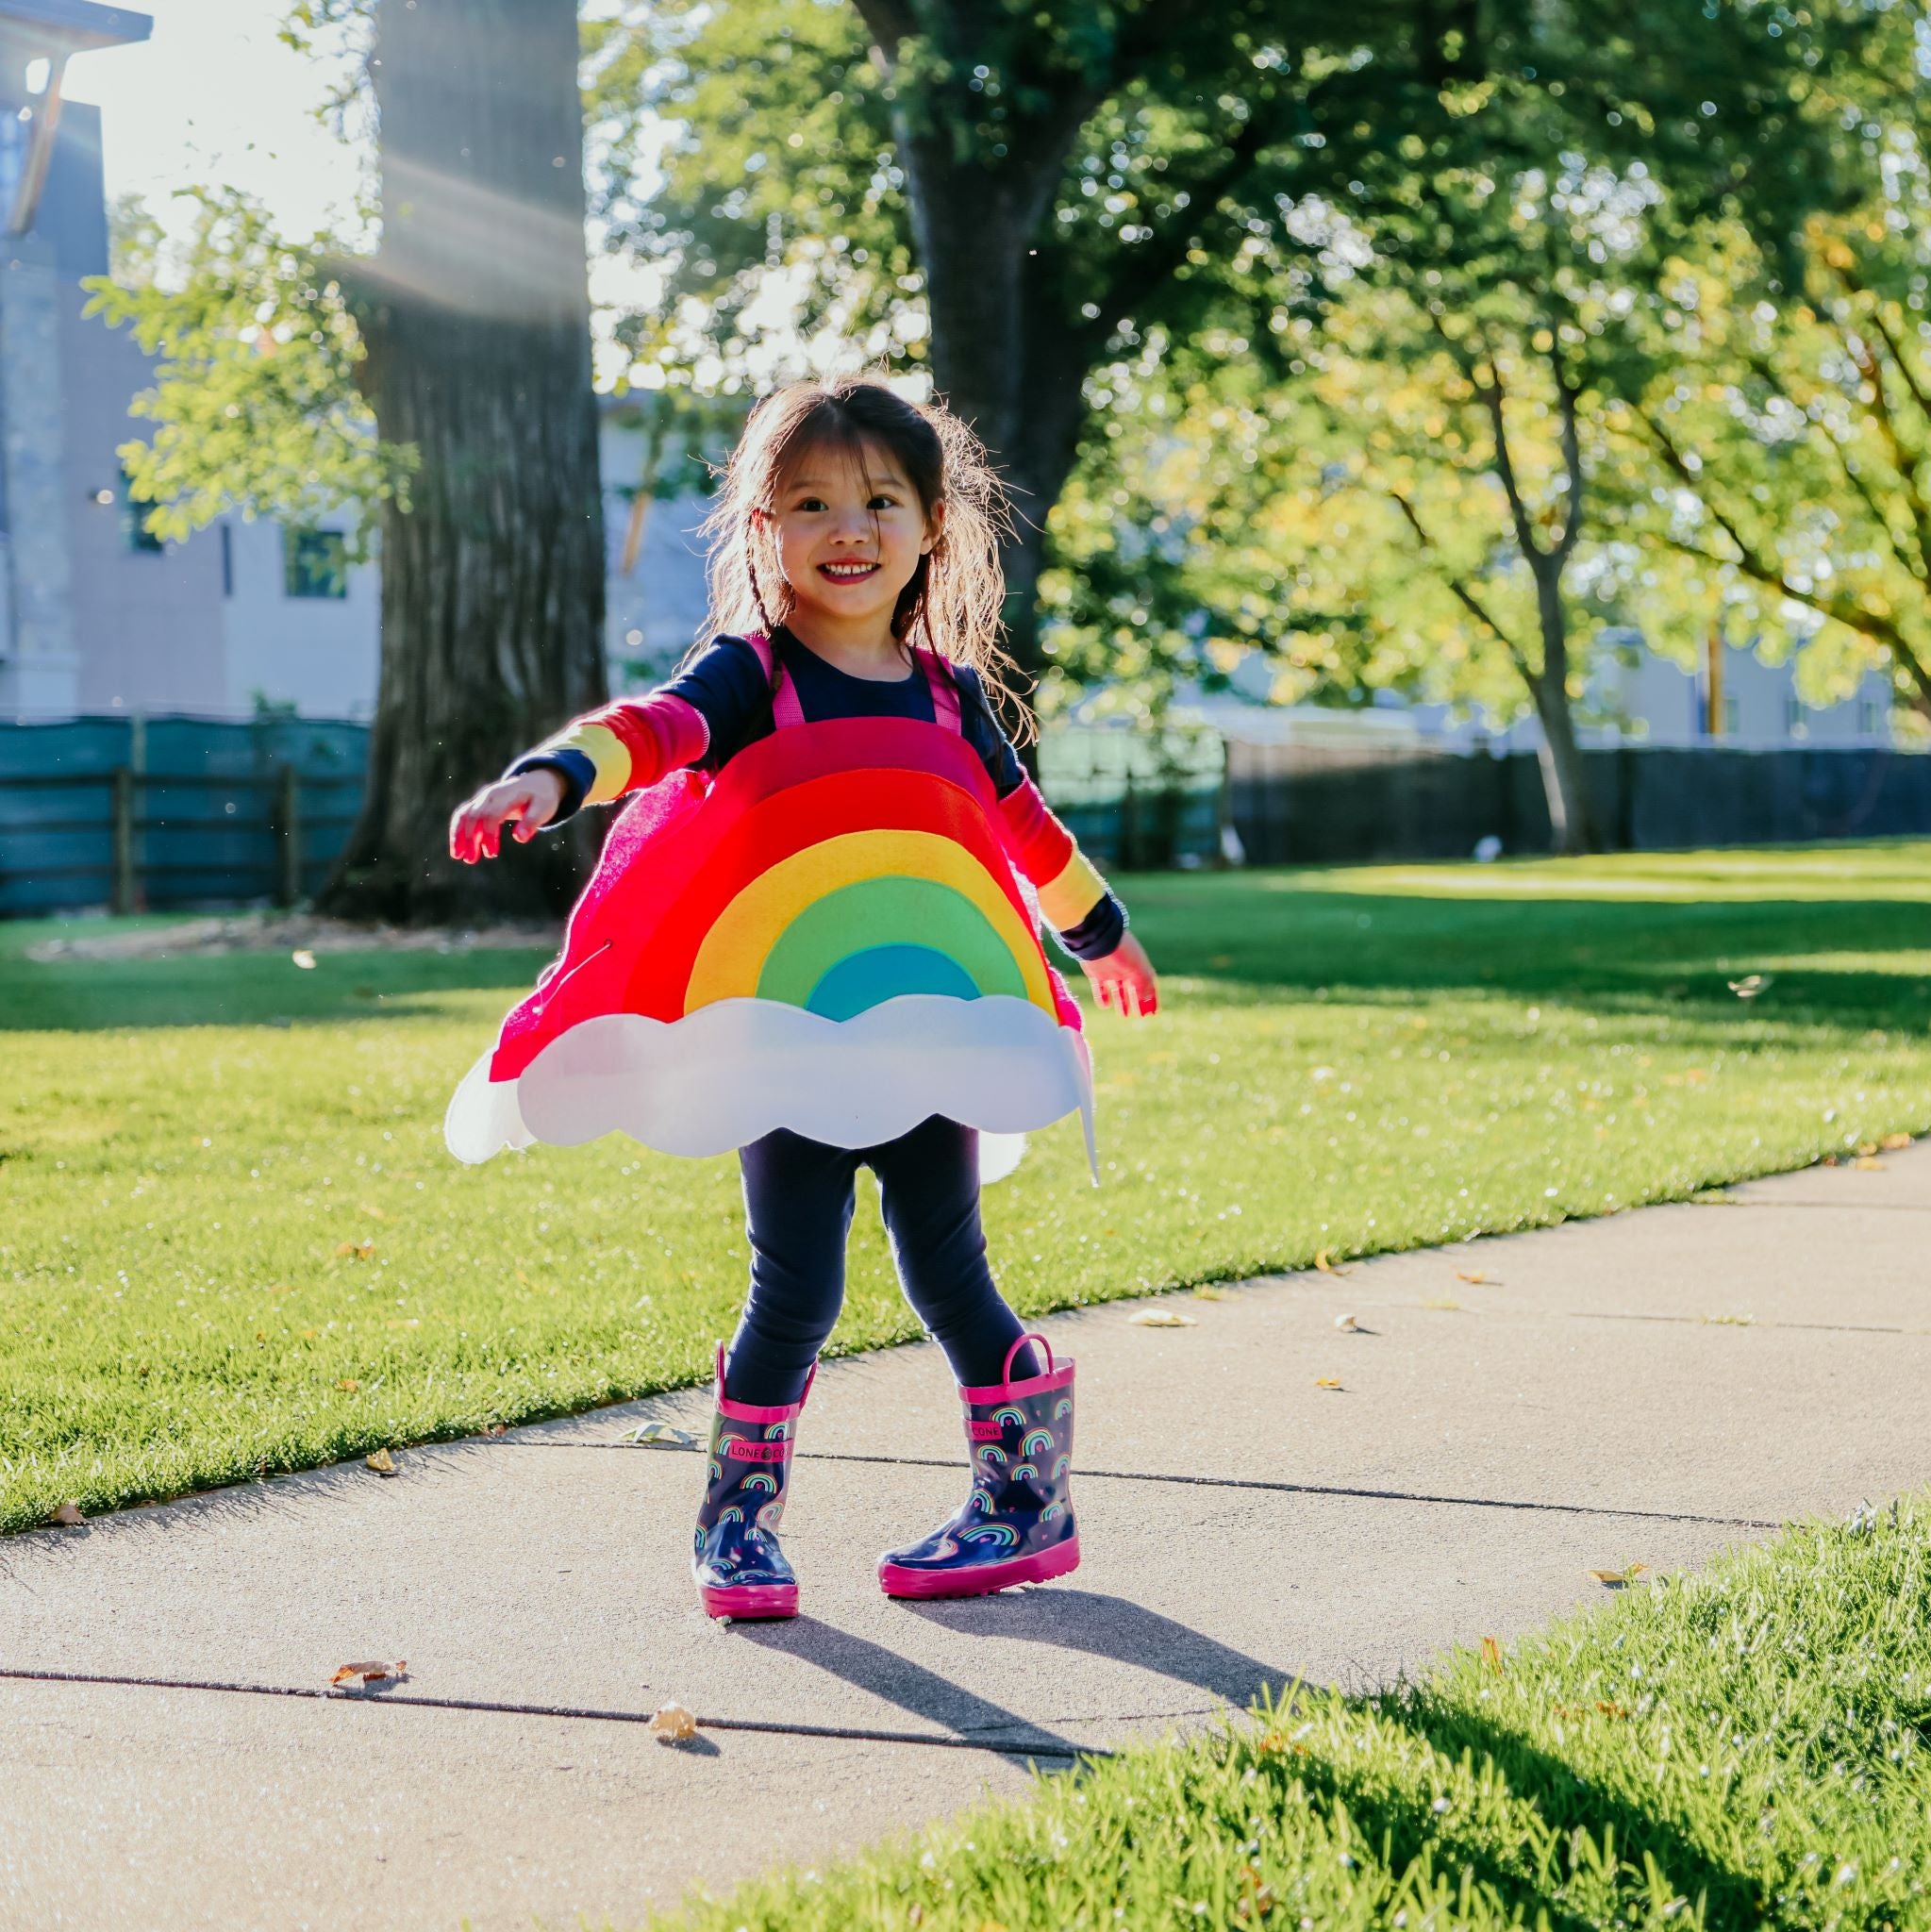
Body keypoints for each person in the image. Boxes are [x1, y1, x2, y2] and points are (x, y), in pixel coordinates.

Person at [446, 375, 1157, 1621]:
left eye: (882, 501)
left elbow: (1020, 826)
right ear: (763, 530)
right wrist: (554, 776)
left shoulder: (949, 694)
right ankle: (740, 1527)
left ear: (934, 525)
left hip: (936, 1035)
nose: (850, 528)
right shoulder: (752, 677)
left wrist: (1099, 933)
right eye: (812, 501)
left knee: (950, 1271)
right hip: (788, 1044)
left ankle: (1026, 1502)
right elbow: (652, 730)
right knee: (798, 1285)